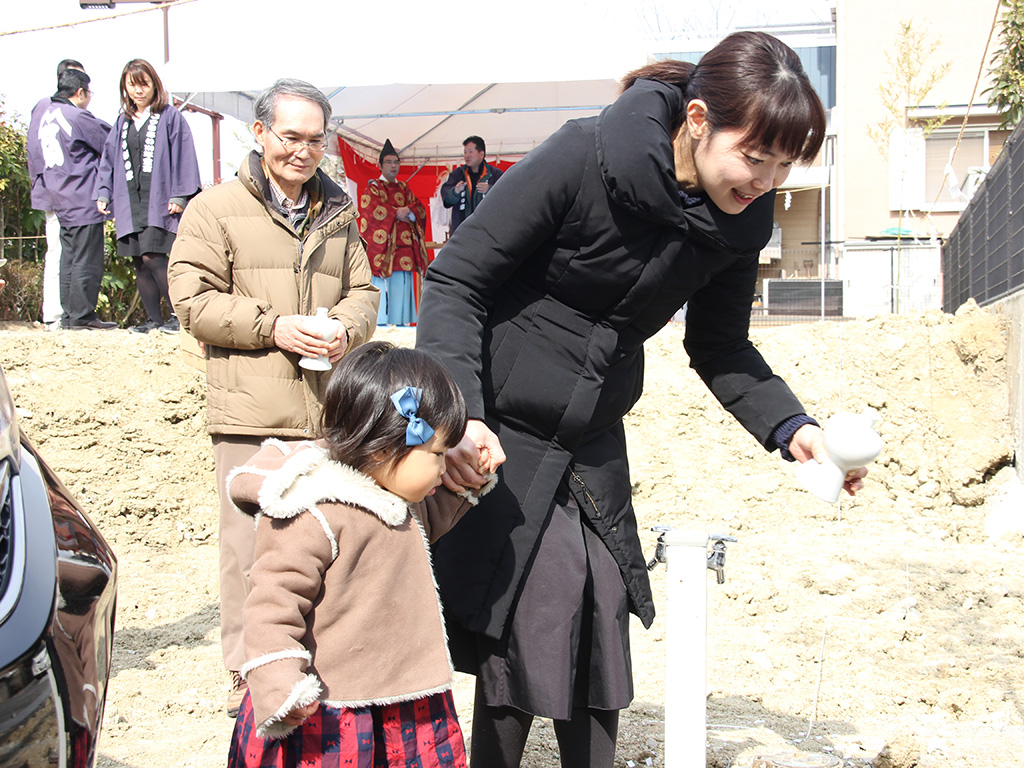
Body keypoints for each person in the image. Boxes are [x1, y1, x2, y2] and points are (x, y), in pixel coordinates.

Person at [415, 31, 869, 768]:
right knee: (525, 607)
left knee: (602, 611)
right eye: (755, 157)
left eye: (783, 166)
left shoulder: (739, 222)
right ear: (697, 120)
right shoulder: (583, 155)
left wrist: (793, 427)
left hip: (592, 432)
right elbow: (459, 279)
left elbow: (719, 346)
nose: (764, 180)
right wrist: (460, 416)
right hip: (501, 423)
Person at [167, 78, 379, 718]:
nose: (303, 151)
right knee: (249, 552)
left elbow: (365, 292)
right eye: (290, 137)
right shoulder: (214, 209)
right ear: (259, 135)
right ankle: (249, 673)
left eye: (316, 139)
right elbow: (192, 299)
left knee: (323, 545)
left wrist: (347, 326)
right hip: (251, 413)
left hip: (328, 410)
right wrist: (273, 326)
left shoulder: (340, 211)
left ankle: (321, 665)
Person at [225, 341, 494, 768]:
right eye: (438, 454)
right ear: (385, 448)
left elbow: (424, 524)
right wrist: (281, 684)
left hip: (404, 696)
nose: (444, 468)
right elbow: (271, 607)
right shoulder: (314, 512)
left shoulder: (397, 494)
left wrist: (472, 477)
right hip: (334, 709)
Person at [96, 59, 201, 335]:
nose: (138, 90)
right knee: (138, 261)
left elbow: (185, 156)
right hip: (131, 201)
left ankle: (179, 316)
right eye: (132, 84)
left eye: (144, 83)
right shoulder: (122, 122)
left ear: (155, 84)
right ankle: (154, 319)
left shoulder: (170, 117)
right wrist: (104, 192)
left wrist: (180, 194)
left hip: (160, 201)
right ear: (125, 88)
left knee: (153, 256)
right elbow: (108, 160)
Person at [37, 67, 117, 330]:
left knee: (69, 259)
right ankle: (82, 315)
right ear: (80, 92)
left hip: (58, 195)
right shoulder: (76, 115)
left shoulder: (47, 114)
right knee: (86, 258)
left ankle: (71, 315)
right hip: (81, 194)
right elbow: (109, 140)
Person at [26, 58, 84, 330]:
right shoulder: (48, 108)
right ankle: (57, 315)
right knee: (61, 253)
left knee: (63, 254)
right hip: (60, 192)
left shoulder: (47, 107)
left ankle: (61, 315)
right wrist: (44, 184)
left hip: (64, 192)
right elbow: (35, 150)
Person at [358, 138, 430, 326]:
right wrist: (396, 213)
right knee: (382, 287)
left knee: (402, 286)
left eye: (396, 162)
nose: (393, 166)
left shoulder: (405, 188)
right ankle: (379, 324)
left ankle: (401, 324)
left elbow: (419, 208)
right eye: (388, 162)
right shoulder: (373, 188)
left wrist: (410, 212)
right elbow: (371, 212)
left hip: (404, 247)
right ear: (380, 165)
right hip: (383, 250)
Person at [439, 135, 503, 235]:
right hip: (462, 233)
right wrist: (455, 192)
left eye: (470, 152)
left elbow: (507, 197)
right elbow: (446, 199)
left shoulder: (495, 175)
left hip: (488, 233)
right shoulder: (457, 175)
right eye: (465, 152)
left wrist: (490, 189)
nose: (466, 155)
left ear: (481, 154)